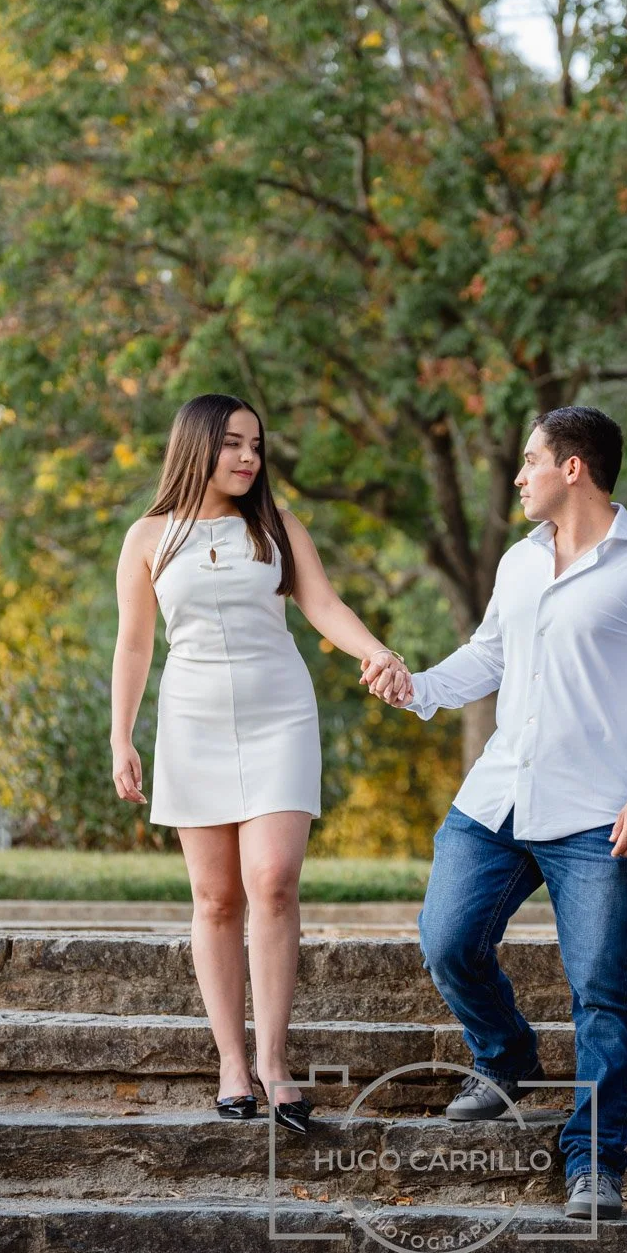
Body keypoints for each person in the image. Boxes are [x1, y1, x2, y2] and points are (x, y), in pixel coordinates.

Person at [362, 405, 627, 1220]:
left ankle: (595, 1158)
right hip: (498, 797)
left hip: (598, 814)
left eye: (529, 462)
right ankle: (506, 1055)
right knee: (447, 939)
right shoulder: (521, 562)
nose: (518, 478)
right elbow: (490, 653)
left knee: (600, 988)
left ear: (574, 468)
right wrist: (419, 687)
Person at [110, 393, 410, 1133]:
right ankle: (231, 1064)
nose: (249, 458)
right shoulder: (148, 537)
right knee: (215, 900)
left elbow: (324, 606)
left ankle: (274, 1064)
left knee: (272, 882)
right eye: (234, 444)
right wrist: (121, 736)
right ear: (196, 447)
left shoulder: (276, 528)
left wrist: (376, 650)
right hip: (192, 721)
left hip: (280, 713)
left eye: (256, 445)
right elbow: (135, 644)